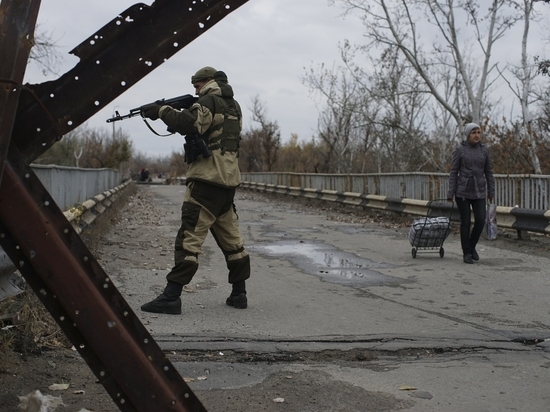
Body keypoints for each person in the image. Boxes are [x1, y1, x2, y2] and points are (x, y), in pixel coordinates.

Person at [139, 66, 250, 314]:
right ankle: (239, 293)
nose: (195, 90)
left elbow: (188, 123)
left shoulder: (208, 101)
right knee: (233, 243)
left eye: (197, 86)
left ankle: (171, 296)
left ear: (208, 82)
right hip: (228, 184)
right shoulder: (235, 106)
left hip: (205, 184)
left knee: (188, 241)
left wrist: (161, 110)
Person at [447, 123, 495, 264]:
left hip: (479, 190)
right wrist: (451, 192)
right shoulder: (460, 150)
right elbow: (453, 172)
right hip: (463, 191)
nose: (476, 135)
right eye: (473, 132)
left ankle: (472, 246)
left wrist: (491, 191)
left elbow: (489, 172)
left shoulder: (484, 150)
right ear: (468, 135)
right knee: (465, 222)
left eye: (478, 132)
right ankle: (466, 252)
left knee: (480, 220)